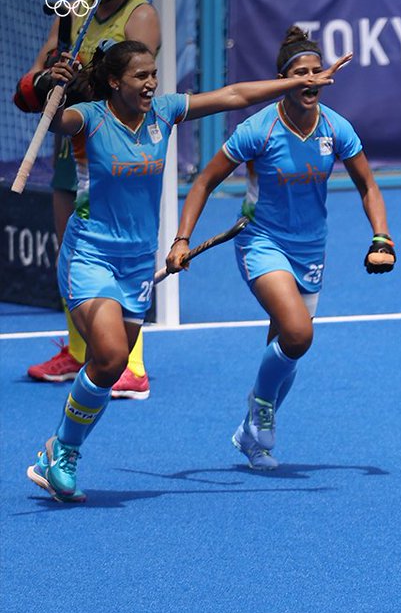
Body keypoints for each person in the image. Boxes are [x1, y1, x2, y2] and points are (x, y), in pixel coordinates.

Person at [25, 39, 351, 503]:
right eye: (141, 76)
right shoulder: (90, 118)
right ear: (115, 81)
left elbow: (235, 96)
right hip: (91, 255)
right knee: (112, 356)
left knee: (109, 364)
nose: (151, 83)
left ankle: (58, 446)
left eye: (154, 74)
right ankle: (65, 452)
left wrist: (295, 81)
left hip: (138, 261)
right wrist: (41, 84)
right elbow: (50, 116)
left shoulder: (164, 112)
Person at [167, 27, 392, 470]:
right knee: (298, 332)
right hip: (260, 241)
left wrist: (381, 237)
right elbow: (205, 181)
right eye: (298, 73)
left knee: (288, 348)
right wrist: (181, 238)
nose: (309, 80)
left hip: (311, 249)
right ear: (282, 79)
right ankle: (261, 406)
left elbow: (368, 185)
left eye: (315, 71)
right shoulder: (259, 128)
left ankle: (252, 437)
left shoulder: (336, 128)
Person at [18, 0, 161, 399]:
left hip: (113, 145)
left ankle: (130, 364)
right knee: (72, 254)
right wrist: (48, 76)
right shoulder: (76, 7)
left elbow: (136, 84)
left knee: (115, 252)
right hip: (71, 139)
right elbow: (44, 65)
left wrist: (85, 78)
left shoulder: (139, 15)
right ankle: (81, 352)